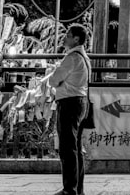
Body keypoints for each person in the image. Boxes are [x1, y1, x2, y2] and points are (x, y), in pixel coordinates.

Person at [42, 23, 91, 195]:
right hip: (80, 102)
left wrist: (56, 73)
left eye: (68, 35)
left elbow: (53, 80)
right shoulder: (83, 57)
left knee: (67, 148)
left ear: (76, 38)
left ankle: (69, 189)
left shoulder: (72, 58)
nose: (65, 38)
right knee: (75, 148)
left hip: (69, 102)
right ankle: (78, 189)